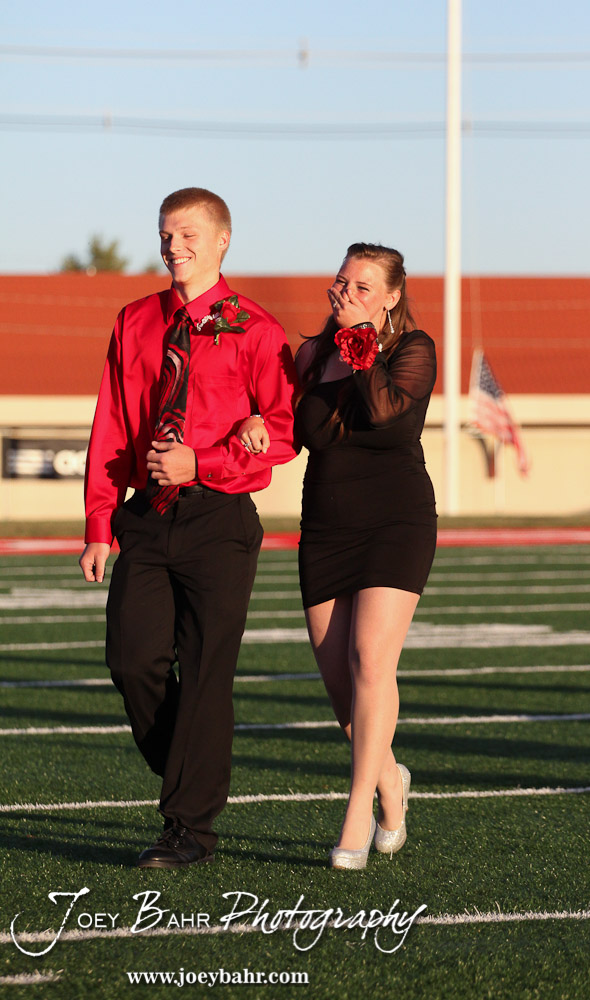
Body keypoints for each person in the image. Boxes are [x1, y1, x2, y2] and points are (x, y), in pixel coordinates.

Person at [79, 187, 298, 868]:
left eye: (189, 235)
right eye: (166, 235)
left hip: (218, 521)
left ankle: (188, 829)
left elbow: (285, 431)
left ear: (222, 241)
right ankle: (191, 765)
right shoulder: (136, 320)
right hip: (146, 515)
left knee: (205, 674)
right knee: (130, 659)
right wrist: (98, 521)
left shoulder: (257, 329)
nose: (174, 246)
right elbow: (112, 421)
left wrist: (201, 459)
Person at [247, 242, 437, 869]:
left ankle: (358, 813)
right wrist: (254, 430)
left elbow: (384, 413)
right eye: (341, 282)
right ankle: (391, 782)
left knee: (370, 663)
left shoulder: (413, 350)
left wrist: (360, 342)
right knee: (339, 691)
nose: (346, 293)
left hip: (395, 520)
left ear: (390, 297)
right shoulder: (309, 354)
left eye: (362, 287)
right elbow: (291, 433)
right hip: (327, 524)